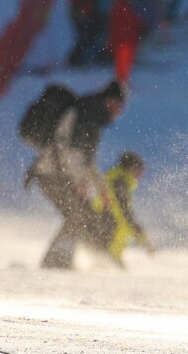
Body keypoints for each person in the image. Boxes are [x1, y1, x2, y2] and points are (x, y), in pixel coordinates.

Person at [24, 79, 130, 268]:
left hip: (58, 174)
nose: (120, 112)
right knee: (78, 215)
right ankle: (55, 262)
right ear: (110, 100)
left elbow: (86, 161)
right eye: (120, 106)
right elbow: (71, 152)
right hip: (50, 174)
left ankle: (64, 259)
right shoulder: (87, 113)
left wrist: (102, 189)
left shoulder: (91, 114)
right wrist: (81, 181)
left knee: (83, 215)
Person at [93, 150, 153, 265]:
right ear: (131, 168)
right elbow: (127, 214)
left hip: (104, 238)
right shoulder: (119, 183)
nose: (140, 175)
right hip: (108, 244)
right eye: (139, 170)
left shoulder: (113, 178)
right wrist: (144, 240)